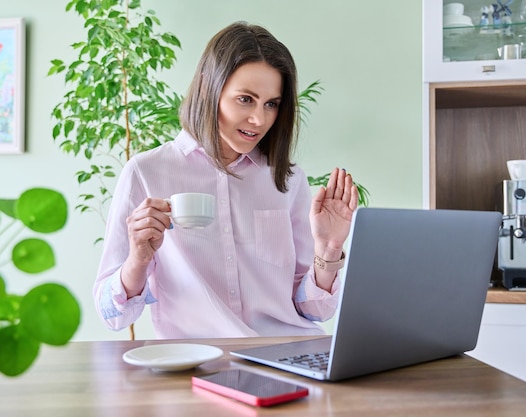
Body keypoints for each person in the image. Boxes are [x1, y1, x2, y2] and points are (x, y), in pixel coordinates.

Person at [93, 21, 359, 339]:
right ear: (208, 87)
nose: (259, 120)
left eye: (271, 104)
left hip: (288, 354)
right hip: (198, 362)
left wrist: (328, 250)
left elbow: (314, 311)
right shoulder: (145, 173)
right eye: (245, 99)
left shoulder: (287, 180)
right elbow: (113, 315)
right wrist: (138, 258)